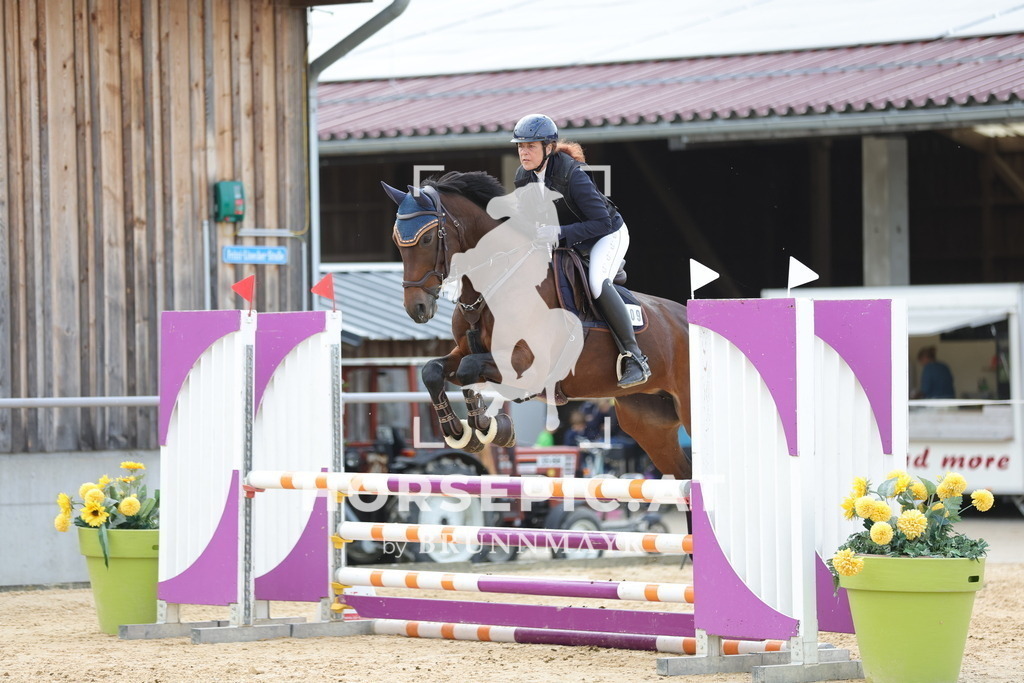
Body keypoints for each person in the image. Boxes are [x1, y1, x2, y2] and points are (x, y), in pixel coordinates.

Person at [510, 113, 651, 388]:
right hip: (566, 239)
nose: (524, 153)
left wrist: (559, 232)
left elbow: (602, 222)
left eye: (531, 146)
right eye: (520, 147)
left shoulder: (573, 175)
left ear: (549, 148)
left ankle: (635, 357)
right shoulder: (522, 177)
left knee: (596, 283)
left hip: (607, 235)